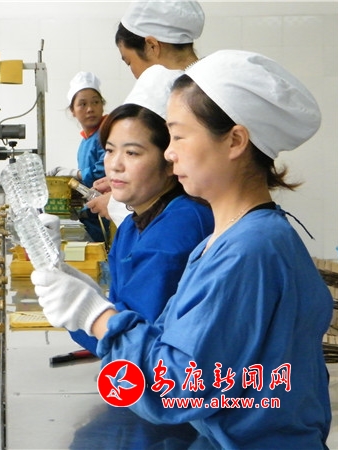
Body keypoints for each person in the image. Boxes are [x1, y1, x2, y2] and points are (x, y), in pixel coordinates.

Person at [31, 50, 332, 448]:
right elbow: (170, 341)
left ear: (235, 141)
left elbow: (174, 386)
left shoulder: (251, 250)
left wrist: (97, 317)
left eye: (178, 135)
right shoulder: (222, 241)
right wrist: (87, 300)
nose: (170, 153)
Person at [67, 65, 213, 355]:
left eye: (132, 152)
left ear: (170, 160)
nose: (115, 165)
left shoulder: (179, 228)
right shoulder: (134, 224)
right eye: (110, 150)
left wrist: (81, 314)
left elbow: (138, 343)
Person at [88, 0, 205, 228]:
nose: (134, 73)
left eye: (129, 62)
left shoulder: (164, 88)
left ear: (152, 46)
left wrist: (115, 202)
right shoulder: (208, 83)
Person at [47, 72, 109, 242]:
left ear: (102, 105)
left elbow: (105, 169)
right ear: (72, 111)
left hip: (107, 212)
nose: (90, 109)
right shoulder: (85, 141)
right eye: (82, 104)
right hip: (93, 213)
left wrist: (76, 174)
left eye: (95, 102)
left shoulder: (107, 132)